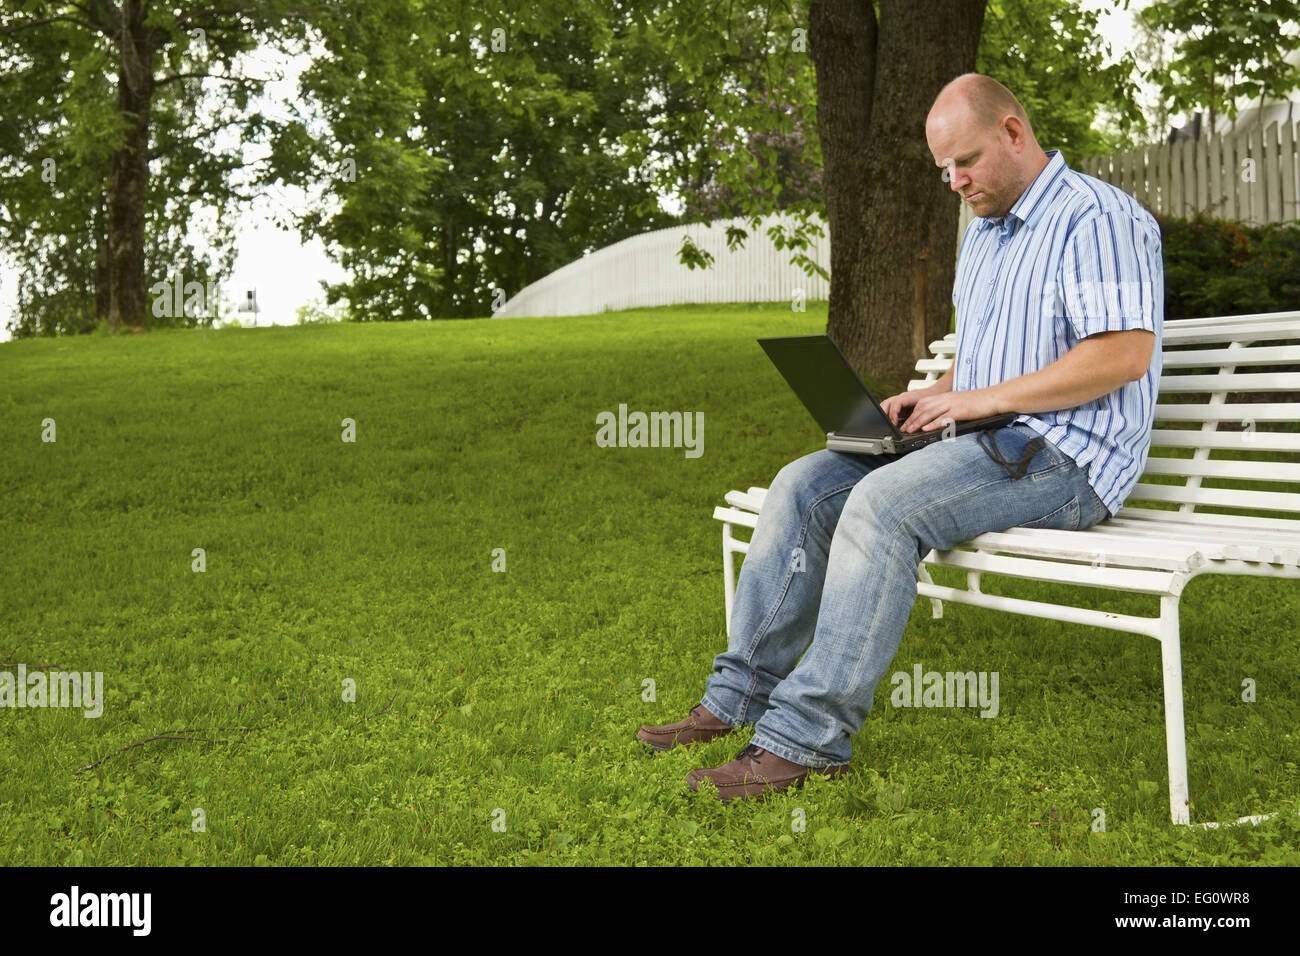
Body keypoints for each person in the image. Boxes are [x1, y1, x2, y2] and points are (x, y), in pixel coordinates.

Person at [636, 72, 1164, 803]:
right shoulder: (984, 232)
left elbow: (1121, 355)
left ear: (1014, 131)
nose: (954, 180)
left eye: (966, 161)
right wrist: (941, 390)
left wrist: (979, 399)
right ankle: (737, 698)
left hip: (1067, 459)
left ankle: (807, 741)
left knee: (882, 505)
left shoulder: (1098, 220)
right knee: (804, 483)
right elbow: (990, 356)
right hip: (985, 439)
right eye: (942, 168)